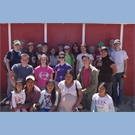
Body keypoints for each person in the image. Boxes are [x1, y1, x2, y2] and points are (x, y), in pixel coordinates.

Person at [111, 39, 129, 107]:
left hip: (121, 72)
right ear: (114, 45)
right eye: (115, 44)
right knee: (114, 87)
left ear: (120, 44)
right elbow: (112, 64)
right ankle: (115, 100)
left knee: (121, 88)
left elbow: (125, 63)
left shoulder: (123, 52)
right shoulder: (112, 53)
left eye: (118, 44)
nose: (117, 45)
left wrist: (125, 72)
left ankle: (120, 101)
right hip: (114, 73)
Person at [5, 39, 21, 104]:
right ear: (13, 45)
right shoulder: (10, 52)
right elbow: (7, 62)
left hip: (18, 72)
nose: (17, 46)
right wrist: (9, 71)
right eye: (15, 45)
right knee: (10, 85)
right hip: (11, 71)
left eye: (18, 45)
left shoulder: (20, 53)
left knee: (17, 84)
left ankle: (17, 98)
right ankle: (9, 98)